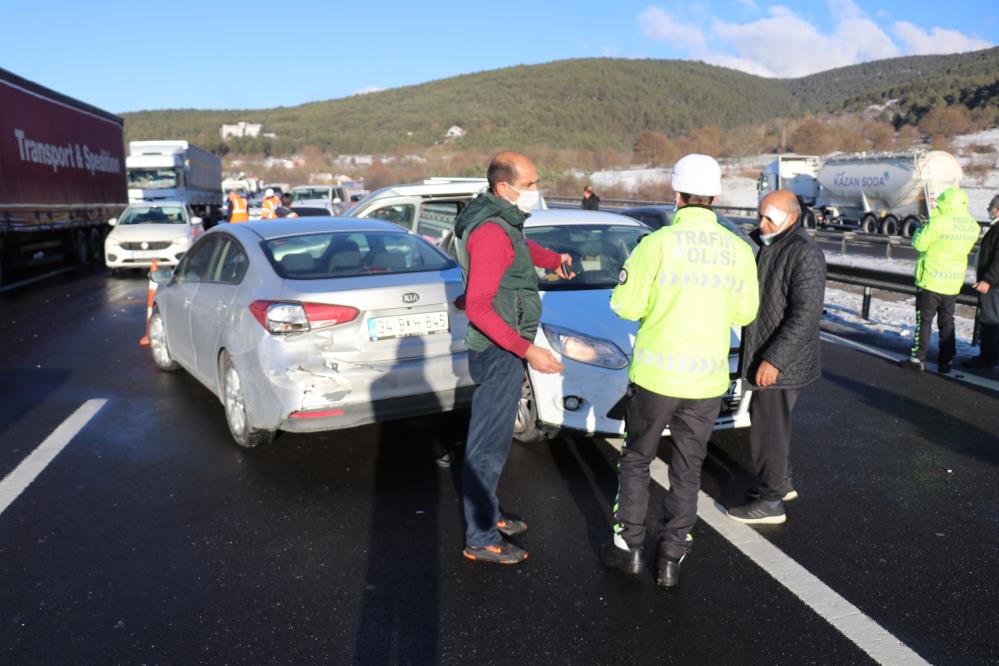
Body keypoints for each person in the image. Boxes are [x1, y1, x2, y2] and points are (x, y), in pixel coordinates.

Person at [600, 154, 759, 587]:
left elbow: (624, 305)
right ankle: (671, 558)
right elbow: (746, 313)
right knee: (688, 468)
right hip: (707, 381)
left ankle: (628, 548)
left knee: (636, 460)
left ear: (677, 195)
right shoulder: (739, 250)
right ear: (715, 196)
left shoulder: (658, 244)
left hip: (655, 378)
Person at [453, 151, 574, 565]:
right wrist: (529, 350)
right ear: (505, 188)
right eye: (532, 184)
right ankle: (481, 537)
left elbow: (521, 249)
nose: (537, 191)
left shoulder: (503, 221)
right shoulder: (490, 232)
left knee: (494, 442)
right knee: (486, 446)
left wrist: (554, 260)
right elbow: (479, 307)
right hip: (498, 349)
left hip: (503, 346)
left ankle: (490, 514)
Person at [725, 190, 826, 525]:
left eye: (770, 218)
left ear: (793, 218)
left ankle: (770, 502)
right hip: (767, 353)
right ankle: (780, 483)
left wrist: (775, 359)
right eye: (760, 215)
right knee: (772, 425)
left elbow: (806, 314)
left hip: (779, 360)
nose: (761, 223)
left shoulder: (803, 252)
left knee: (768, 429)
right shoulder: (772, 243)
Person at [900, 187, 980, 374]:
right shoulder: (972, 225)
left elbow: (919, 244)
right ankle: (946, 361)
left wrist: (920, 230)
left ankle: (917, 359)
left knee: (925, 320)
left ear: (946, 203)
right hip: (953, 281)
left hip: (931, 278)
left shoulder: (938, 222)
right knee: (947, 321)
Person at [964, 194, 999, 370]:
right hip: (993, 283)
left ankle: (988, 358)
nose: (989, 210)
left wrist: (987, 280)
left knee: (990, 320)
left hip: (993, 286)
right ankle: (992, 355)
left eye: (992, 207)